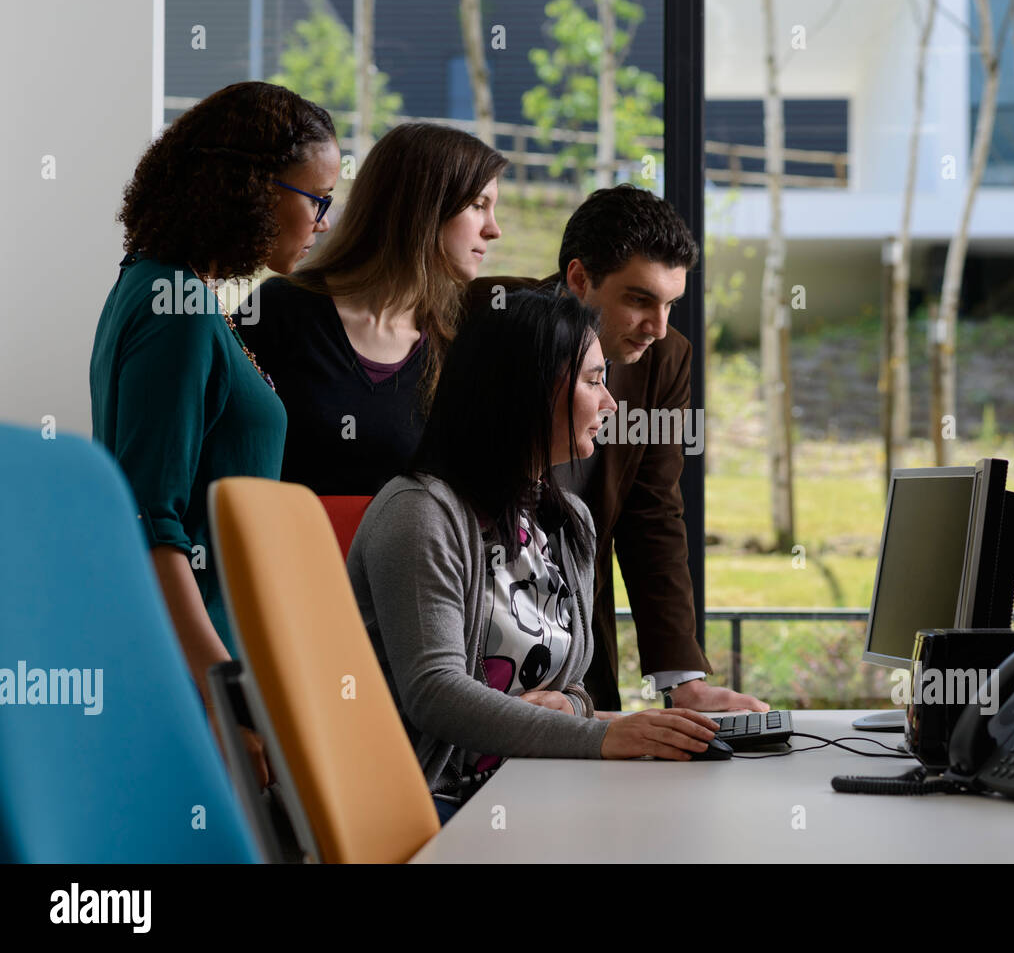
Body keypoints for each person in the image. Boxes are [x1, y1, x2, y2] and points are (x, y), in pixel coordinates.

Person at [346, 290, 720, 822]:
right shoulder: (419, 513)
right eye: (594, 380)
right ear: (527, 390)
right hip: (431, 806)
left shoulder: (568, 521)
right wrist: (597, 735)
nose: (611, 402)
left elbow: (569, 687)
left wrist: (576, 708)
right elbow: (436, 694)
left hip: (533, 788)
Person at [90, 81, 340, 784]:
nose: (323, 220)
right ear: (253, 189)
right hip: (192, 671)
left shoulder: (169, 290)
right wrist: (223, 692)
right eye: (315, 199)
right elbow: (152, 520)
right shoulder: (175, 306)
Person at [466, 185, 768, 713]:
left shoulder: (664, 358)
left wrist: (684, 680)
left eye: (670, 304)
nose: (659, 327)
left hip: (575, 658)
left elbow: (653, 514)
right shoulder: (487, 318)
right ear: (579, 279)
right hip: (471, 639)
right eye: (639, 300)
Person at [242, 123, 506, 496]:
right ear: (422, 206)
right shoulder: (280, 311)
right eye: (479, 206)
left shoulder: (458, 343)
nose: (494, 230)